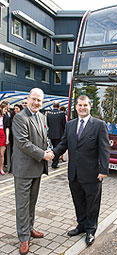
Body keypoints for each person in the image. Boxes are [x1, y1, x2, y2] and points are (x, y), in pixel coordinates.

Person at [52, 95, 110, 246]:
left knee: (92, 203)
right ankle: (81, 225)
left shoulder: (99, 124)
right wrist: (53, 153)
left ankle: (91, 229)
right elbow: (63, 143)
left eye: (85, 105)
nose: (82, 108)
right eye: (80, 105)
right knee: (78, 202)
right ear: (76, 107)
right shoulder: (70, 125)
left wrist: (103, 170)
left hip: (92, 174)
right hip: (74, 173)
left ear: (90, 106)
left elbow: (104, 149)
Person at [10, 88, 54, 255]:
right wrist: (44, 154)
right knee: (22, 205)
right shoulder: (20, 118)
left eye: (39, 101)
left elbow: (44, 137)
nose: (36, 103)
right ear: (27, 99)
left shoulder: (42, 117)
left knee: (32, 202)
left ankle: (29, 228)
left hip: (36, 168)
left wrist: (48, 148)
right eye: (34, 99)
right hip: (23, 169)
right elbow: (22, 142)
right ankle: (23, 238)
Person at [47, 101, 66, 168]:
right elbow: (64, 124)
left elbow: (48, 124)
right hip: (60, 134)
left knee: (54, 148)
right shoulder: (62, 113)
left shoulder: (49, 113)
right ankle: (54, 163)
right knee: (57, 149)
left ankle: (54, 162)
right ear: (59, 106)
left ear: (53, 106)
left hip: (51, 134)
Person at [0, 103, 10, 175]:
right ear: (1, 108)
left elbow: (7, 128)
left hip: (2, 134)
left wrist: (7, 138)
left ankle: (1, 169)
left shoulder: (6, 117)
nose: (6, 111)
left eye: (6, 109)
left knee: (2, 154)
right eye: (5, 109)